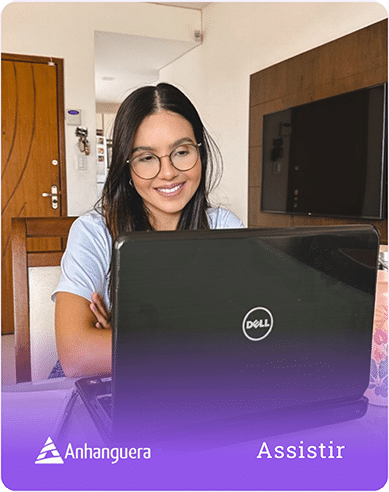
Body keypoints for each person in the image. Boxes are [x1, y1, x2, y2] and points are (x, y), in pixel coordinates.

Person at [52, 83, 243, 378]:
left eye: (181, 152)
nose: (168, 172)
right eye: (146, 158)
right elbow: (77, 354)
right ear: (126, 166)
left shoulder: (224, 227)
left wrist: (125, 337)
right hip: (109, 385)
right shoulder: (93, 232)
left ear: (200, 153)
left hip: (192, 383)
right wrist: (205, 337)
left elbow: (253, 328)